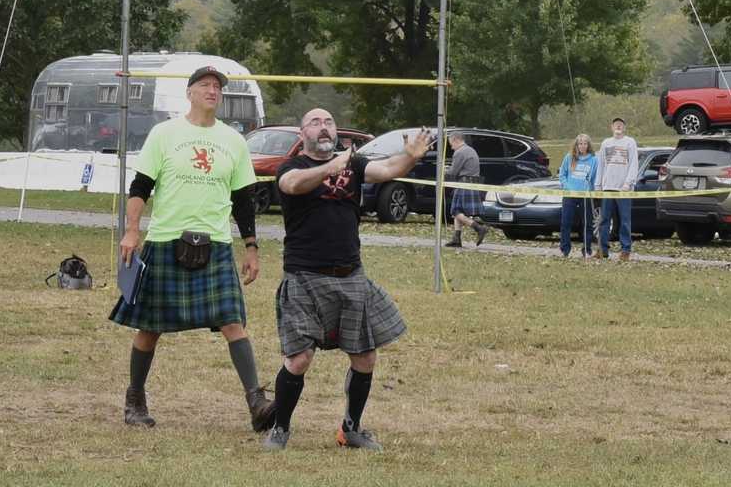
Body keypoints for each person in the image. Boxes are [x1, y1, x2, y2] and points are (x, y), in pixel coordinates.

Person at [110, 65, 275, 432]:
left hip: (215, 243)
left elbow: (243, 200)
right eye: (205, 85)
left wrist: (251, 247)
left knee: (233, 321)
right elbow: (140, 186)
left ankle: (257, 402)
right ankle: (135, 399)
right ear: (189, 93)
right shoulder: (165, 133)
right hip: (166, 239)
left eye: (217, 86)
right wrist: (132, 231)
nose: (212, 91)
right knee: (150, 327)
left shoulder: (233, 140)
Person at [263, 110, 433, 452]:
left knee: (365, 357)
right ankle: (280, 428)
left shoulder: (353, 164)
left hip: (350, 274)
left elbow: (388, 169)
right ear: (302, 132)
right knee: (299, 359)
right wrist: (331, 167)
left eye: (328, 122)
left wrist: (410, 157)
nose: (323, 127)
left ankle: (350, 430)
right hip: (305, 275)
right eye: (315, 123)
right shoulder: (291, 166)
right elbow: (292, 185)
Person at [593, 117, 639, 262]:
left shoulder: (630, 142)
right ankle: (602, 250)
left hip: (624, 189)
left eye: (621, 124)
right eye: (616, 124)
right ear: (611, 127)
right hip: (607, 187)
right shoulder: (606, 143)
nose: (618, 126)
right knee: (604, 220)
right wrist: (598, 185)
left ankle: (625, 250)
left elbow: (634, 164)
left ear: (624, 128)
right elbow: (601, 165)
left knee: (625, 220)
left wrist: (628, 183)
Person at [444, 131, 490, 247]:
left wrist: (444, 171)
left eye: (451, 144)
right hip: (472, 183)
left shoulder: (459, 152)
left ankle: (479, 228)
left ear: (456, 140)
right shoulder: (471, 150)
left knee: (455, 211)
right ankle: (456, 239)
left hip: (464, 183)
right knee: (458, 210)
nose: (451, 147)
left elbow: (453, 172)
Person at [558, 134, 598, 258]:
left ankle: (587, 249)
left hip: (585, 195)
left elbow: (595, 178)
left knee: (587, 223)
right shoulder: (569, 157)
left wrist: (593, 190)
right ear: (576, 145)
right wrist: (567, 187)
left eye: (585, 143)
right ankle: (565, 249)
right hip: (569, 195)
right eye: (580, 143)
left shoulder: (594, 160)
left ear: (588, 145)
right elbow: (562, 175)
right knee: (566, 222)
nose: (582, 146)